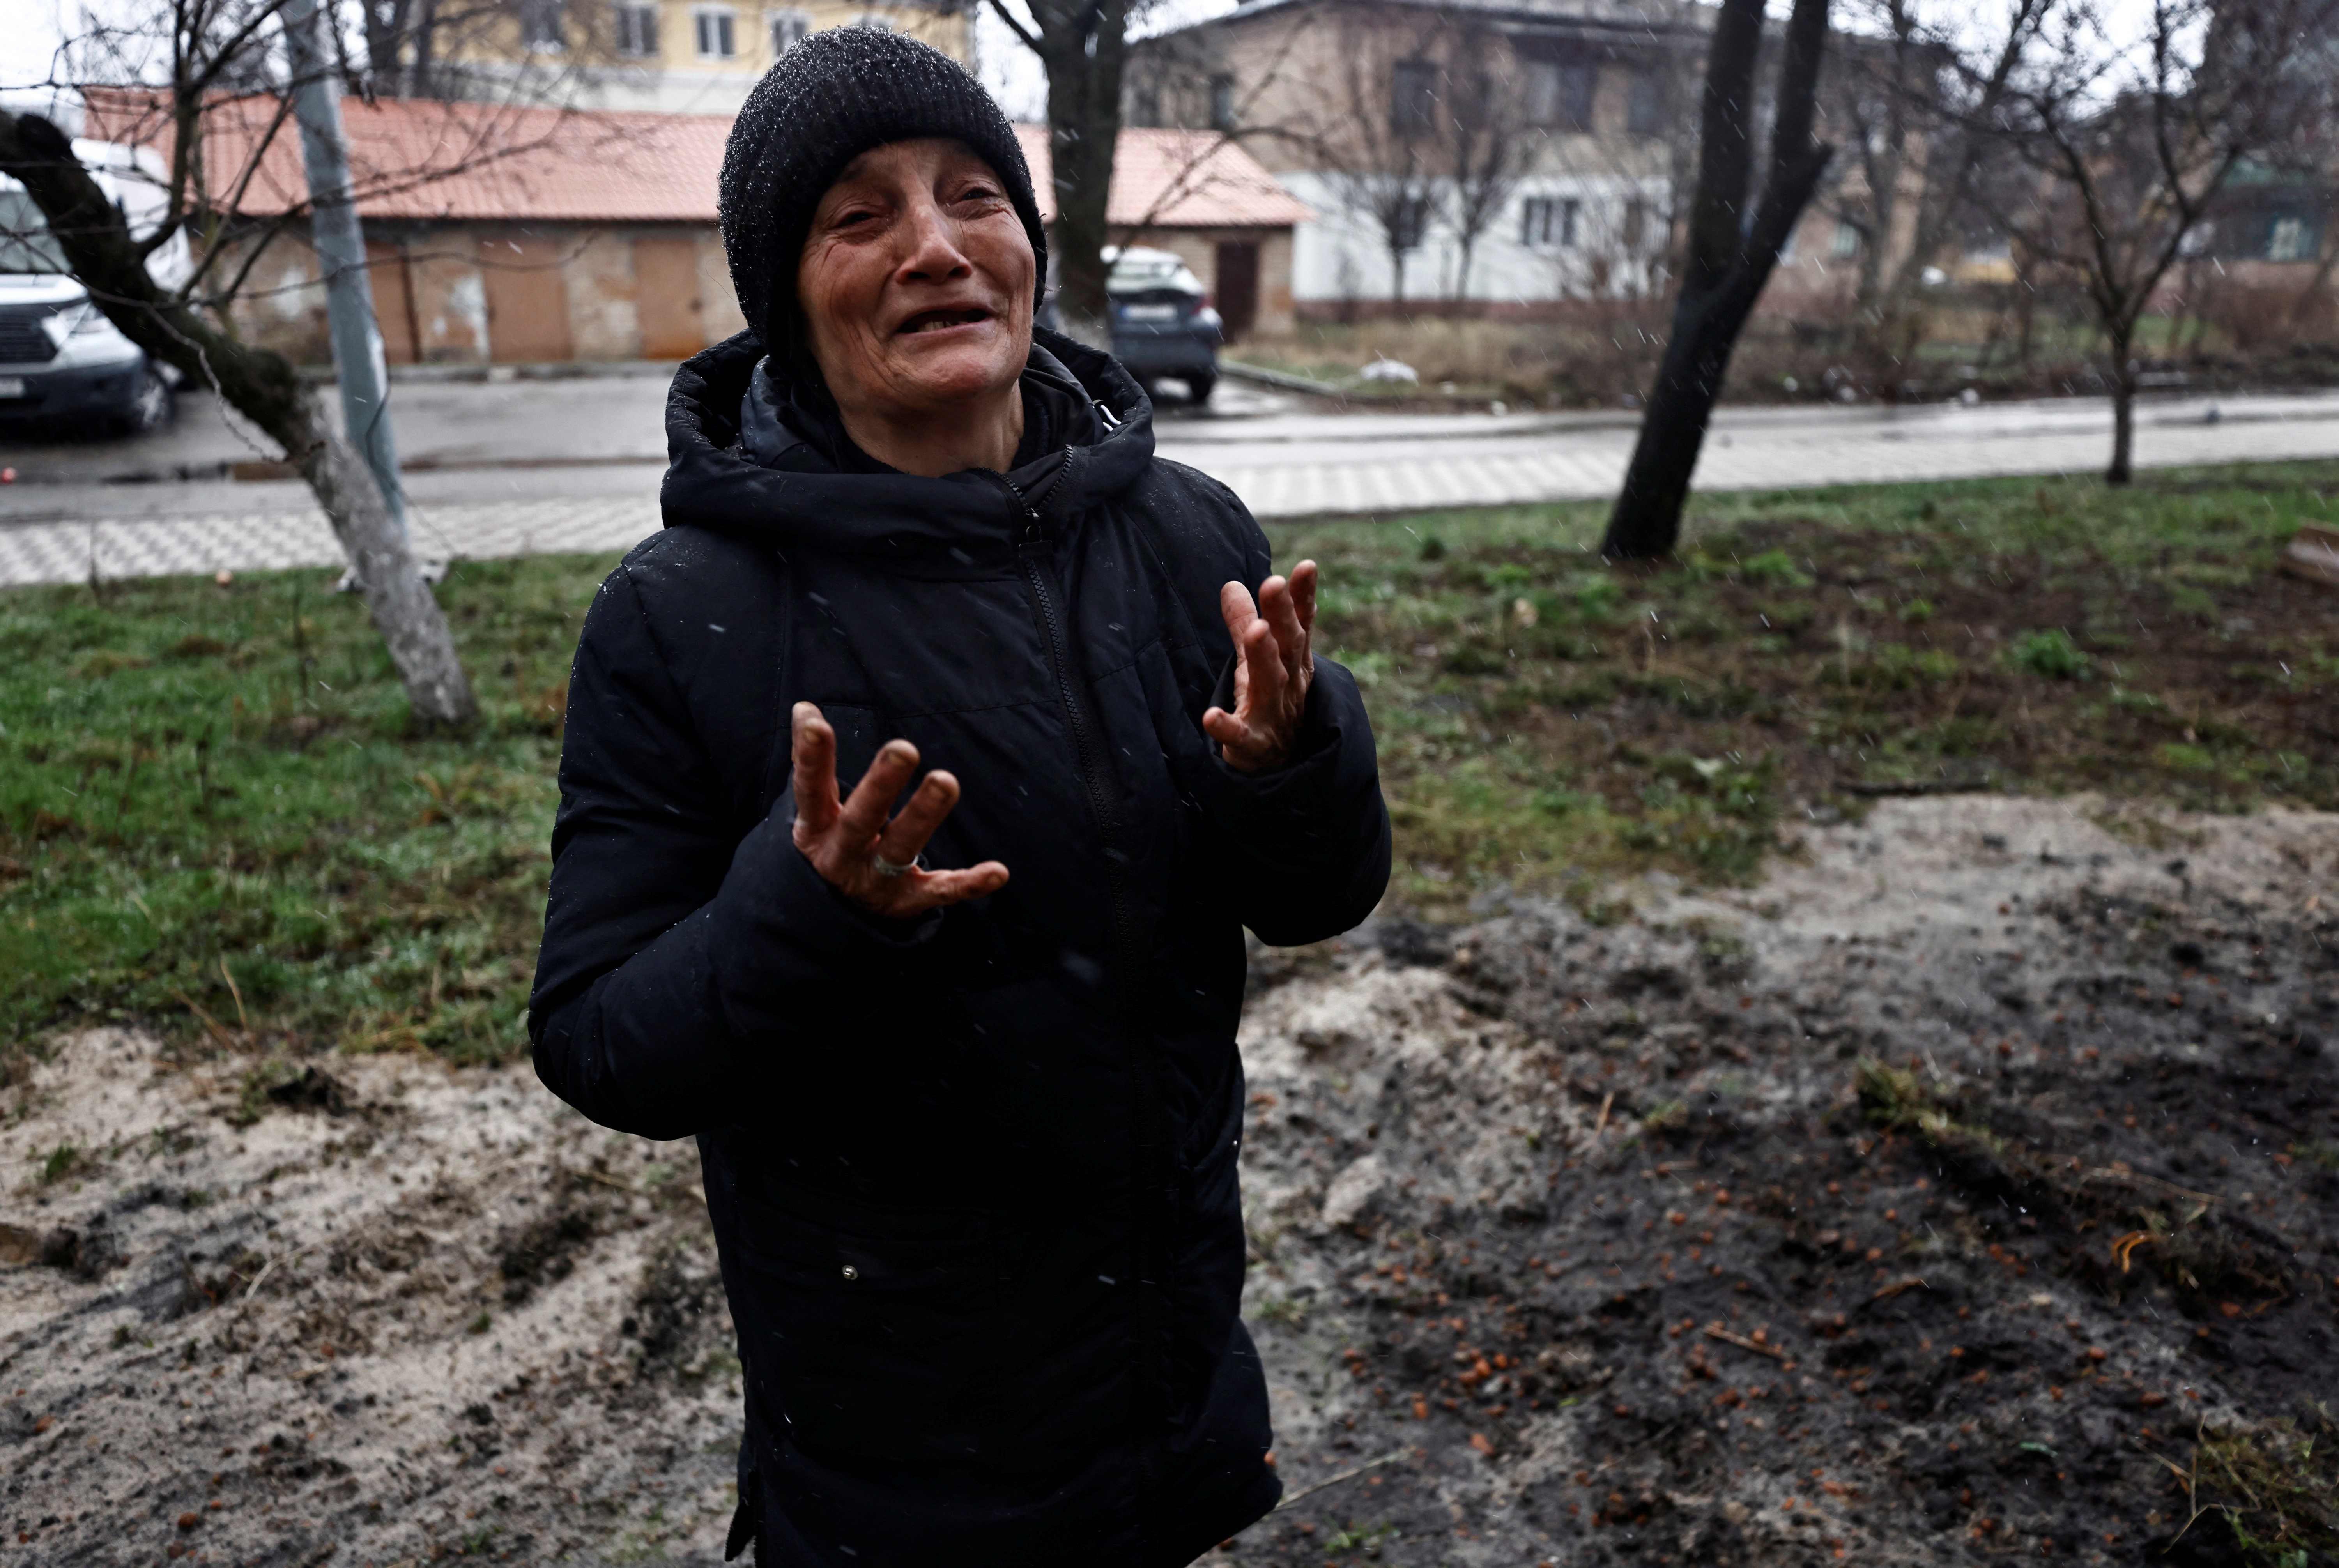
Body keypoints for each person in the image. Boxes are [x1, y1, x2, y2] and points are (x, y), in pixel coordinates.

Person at [527, 28, 1389, 1566]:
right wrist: (808, 915)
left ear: (1032, 250)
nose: (935, 245)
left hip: (1169, 1351)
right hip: (890, 1437)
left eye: (975, 197)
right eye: (859, 218)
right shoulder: (678, 617)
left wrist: (1295, 763)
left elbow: (1320, 896)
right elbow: (600, 1035)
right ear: (787, 295)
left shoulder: (1187, 534)